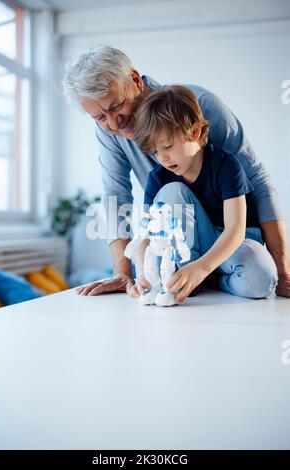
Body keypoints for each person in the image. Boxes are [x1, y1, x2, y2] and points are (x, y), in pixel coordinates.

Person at [62, 45, 290, 298]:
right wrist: (123, 271)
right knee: (170, 199)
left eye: (116, 106)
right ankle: (193, 277)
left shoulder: (200, 107)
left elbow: (258, 183)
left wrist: (283, 273)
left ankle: (215, 276)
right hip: (178, 241)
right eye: (100, 117)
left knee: (259, 277)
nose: (114, 123)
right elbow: (116, 195)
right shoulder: (109, 132)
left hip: (229, 238)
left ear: (135, 80)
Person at [131, 85, 278, 302]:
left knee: (261, 280)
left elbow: (235, 230)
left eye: (168, 146)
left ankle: (212, 280)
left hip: (232, 244)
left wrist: (202, 268)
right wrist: (142, 273)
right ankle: (189, 273)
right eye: (155, 151)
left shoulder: (226, 165)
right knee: (170, 192)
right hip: (188, 251)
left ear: (195, 132)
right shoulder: (158, 177)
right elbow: (144, 234)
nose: (162, 157)